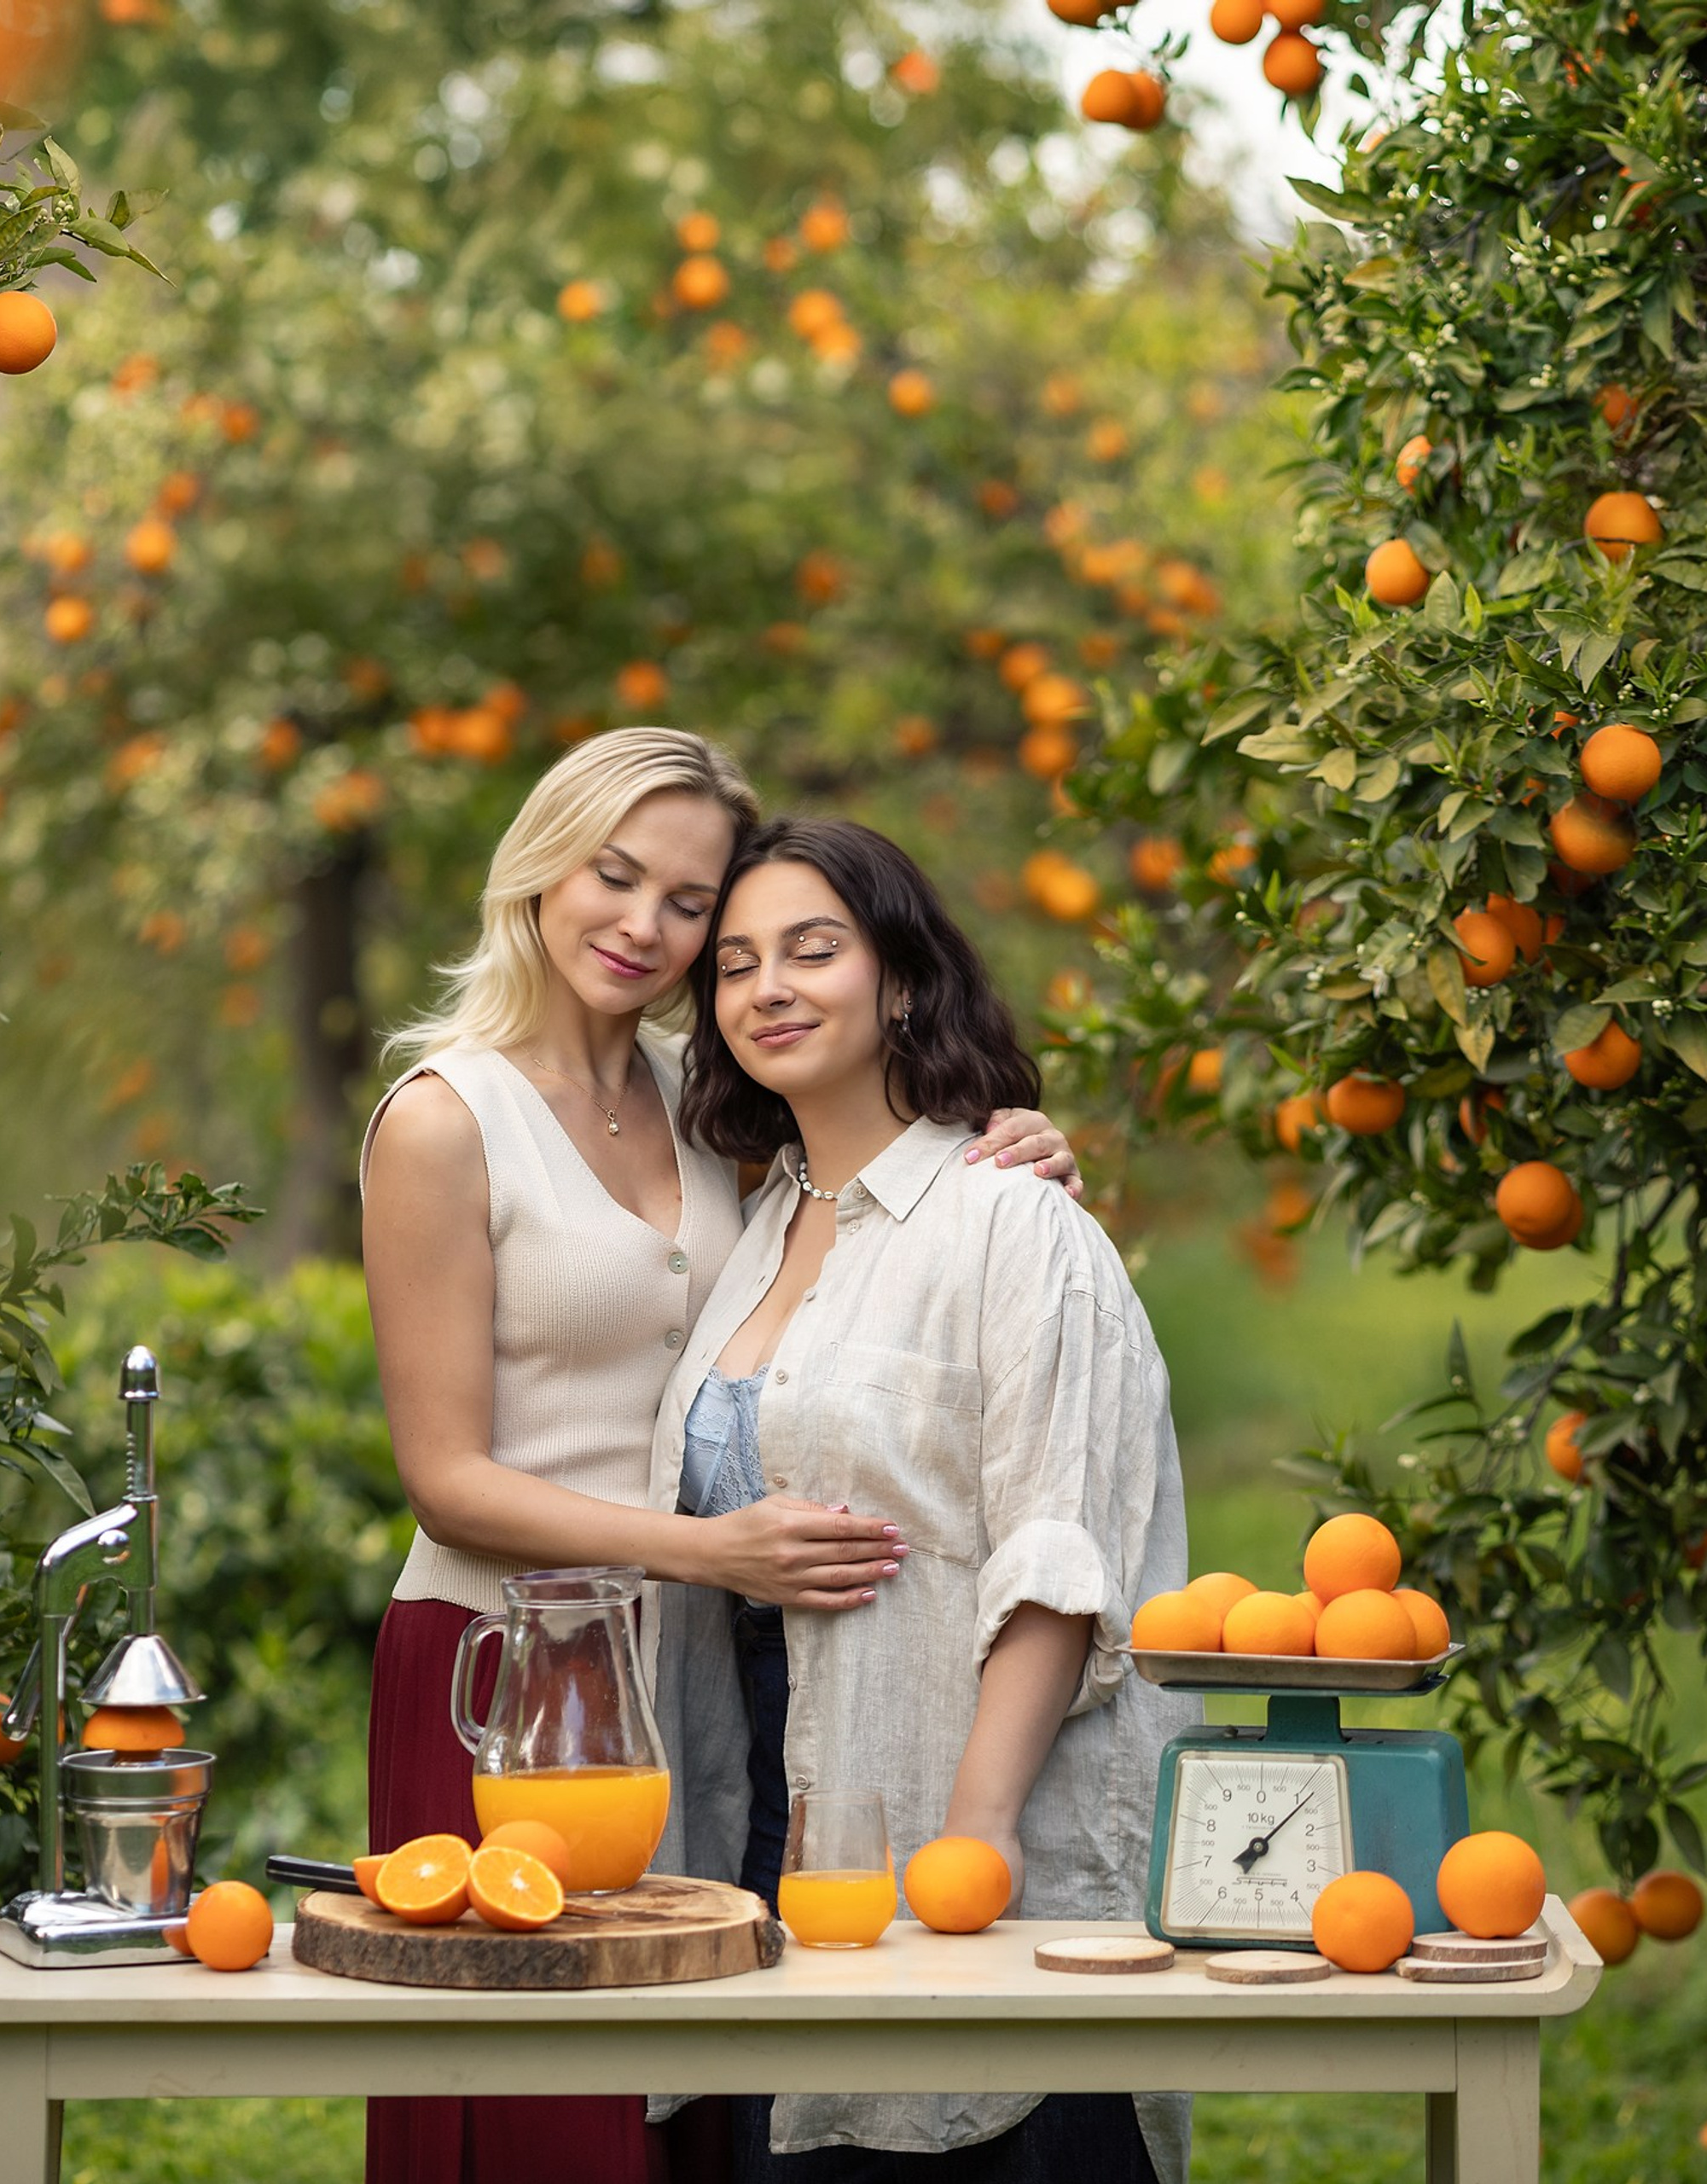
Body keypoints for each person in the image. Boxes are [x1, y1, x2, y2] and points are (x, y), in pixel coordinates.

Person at [358, 731, 1083, 2184]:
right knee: (548, 2116)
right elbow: (445, 1478)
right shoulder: (445, 1118)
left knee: (681, 2104)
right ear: (539, 869)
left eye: (690, 903)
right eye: (614, 876)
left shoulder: (713, 1099)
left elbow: (866, 1208)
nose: (646, 925)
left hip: (682, 1674)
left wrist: (1022, 1152)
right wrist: (707, 1551)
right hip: (510, 1669)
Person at [647, 816, 1199, 2184]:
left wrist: (977, 1836)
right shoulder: (755, 1228)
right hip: (763, 1821)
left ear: (900, 980)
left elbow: (1060, 1553)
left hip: (956, 1806)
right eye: (735, 964)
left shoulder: (1013, 1219)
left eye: (812, 950)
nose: (768, 987)